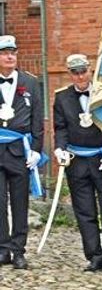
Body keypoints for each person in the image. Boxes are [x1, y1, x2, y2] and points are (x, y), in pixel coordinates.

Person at [52, 54, 102, 273]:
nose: (80, 76)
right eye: (75, 73)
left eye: (83, 71)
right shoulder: (63, 97)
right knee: (84, 211)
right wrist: (60, 148)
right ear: (70, 74)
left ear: (90, 70)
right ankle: (94, 255)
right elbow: (61, 127)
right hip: (76, 161)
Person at [0, 35, 44, 270]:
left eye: (13, 53)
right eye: (5, 53)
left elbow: (38, 118)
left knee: (20, 203)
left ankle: (19, 250)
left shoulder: (30, 82)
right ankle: (2, 248)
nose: (10, 57)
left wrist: (37, 149)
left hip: (20, 151)